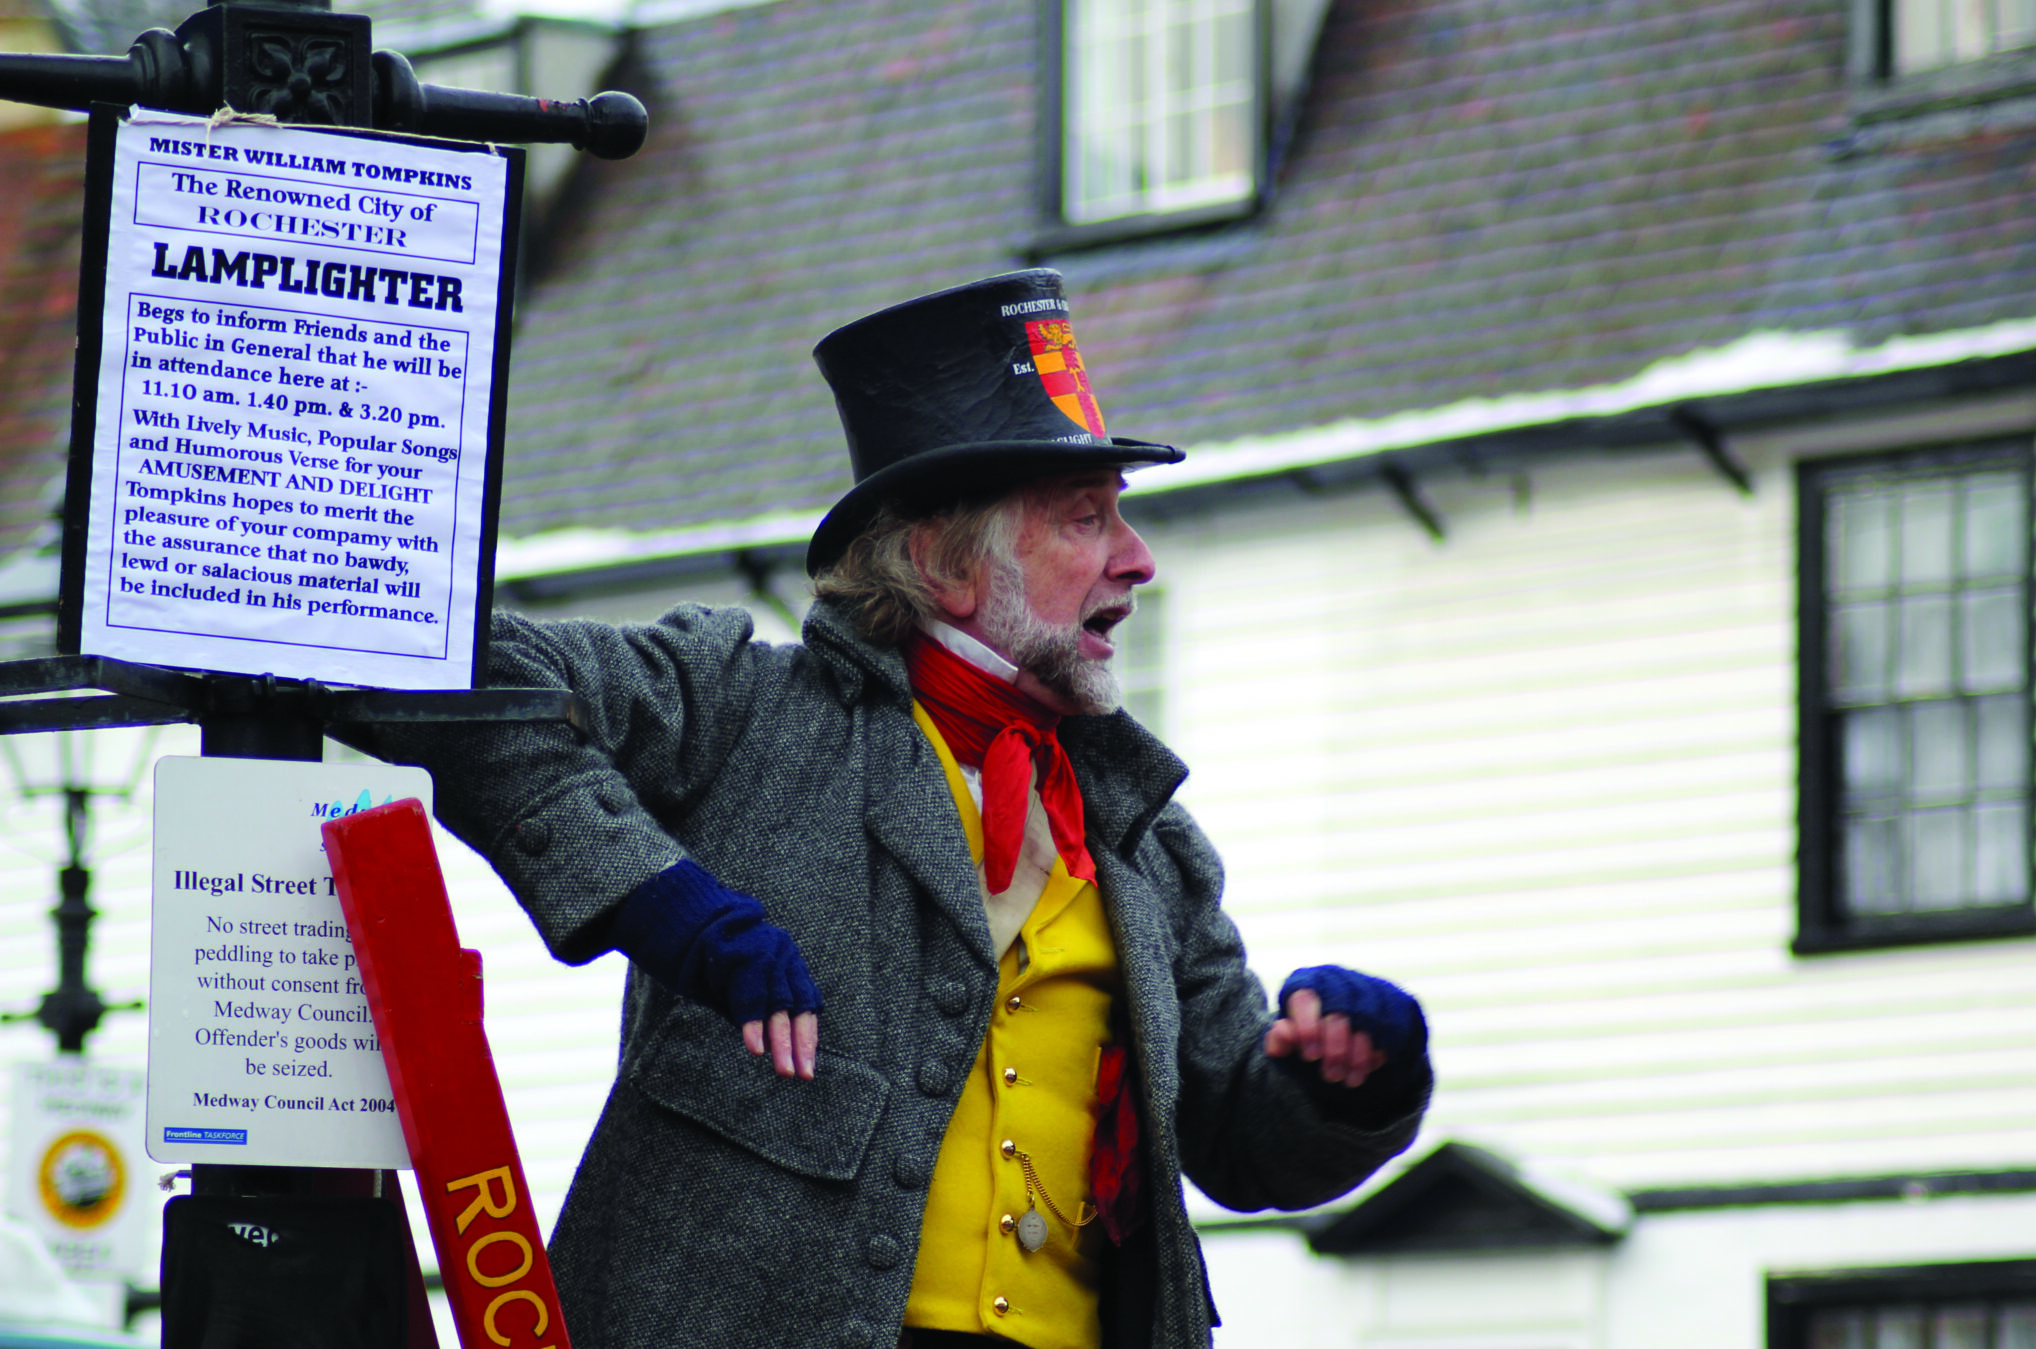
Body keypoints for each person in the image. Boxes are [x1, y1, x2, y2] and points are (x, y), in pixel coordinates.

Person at [366, 271, 1431, 1349]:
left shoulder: (1145, 843)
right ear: (944, 564)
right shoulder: (742, 710)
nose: (1136, 559)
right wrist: (660, 898)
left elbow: (1240, 1142)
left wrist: (1339, 1080)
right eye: (1084, 519)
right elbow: (445, 666)